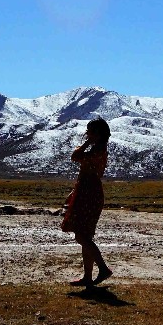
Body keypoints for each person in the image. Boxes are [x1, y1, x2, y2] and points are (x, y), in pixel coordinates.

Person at [59, 116, 112, 286]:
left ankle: (103, 268)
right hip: (86, 191)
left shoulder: (98, 150)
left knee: (82, 236)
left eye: (90, 131)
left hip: (90, 193)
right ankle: (88, 277)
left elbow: (75, 156)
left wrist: (87, 143)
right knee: (85, 235)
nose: (86, 133)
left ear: (97, 133)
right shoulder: (98, 148)